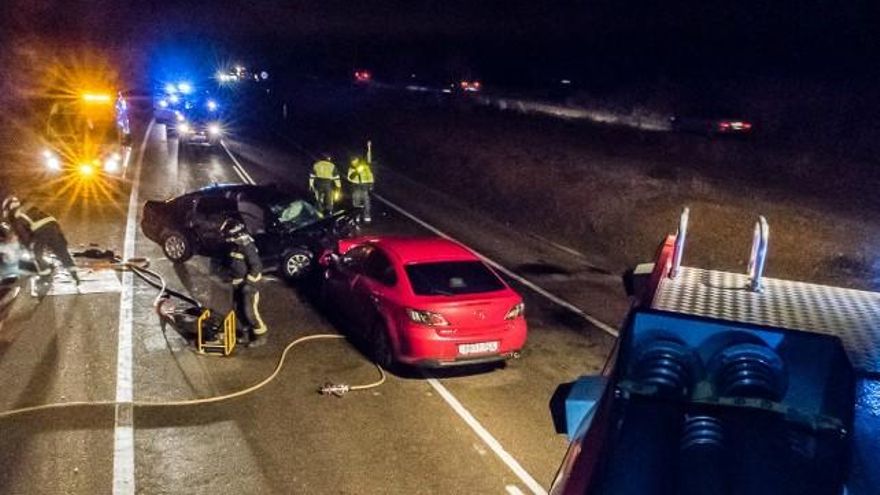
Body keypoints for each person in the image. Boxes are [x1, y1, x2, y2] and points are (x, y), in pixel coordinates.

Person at [1, 195, 80, 287]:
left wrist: (29, 246)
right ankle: (74, 274)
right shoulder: (28, 208)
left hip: (41, 230)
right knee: (62, 252)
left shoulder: (15, 216)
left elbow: (24, 235)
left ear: (9, 208)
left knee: (36, 255)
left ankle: (45, 276)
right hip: (55, 227)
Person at [220, 217, 268, 347]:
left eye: (229, 236)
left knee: (250, 312)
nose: (227, 239)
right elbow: (234, 263)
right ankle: (246, 335)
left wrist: (249, 284)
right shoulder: (235, 245)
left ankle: (261, 336)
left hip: (248, 286)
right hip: (237, 284)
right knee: (239, 311)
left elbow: (256, 267)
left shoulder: (247, 246)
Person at [346, 156, 375, 223]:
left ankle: (367, 217)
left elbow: (370, 176)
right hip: (356, 187)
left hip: (365, 186)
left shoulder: (365, 167)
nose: (354, 163)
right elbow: (350, 178)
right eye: (352, 162)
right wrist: (356, 172)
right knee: (356, 203)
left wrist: (371, 185)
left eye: (355, 161)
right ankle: (357, 217)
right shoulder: (351, 168)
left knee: (366, 202)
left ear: (357, 160)